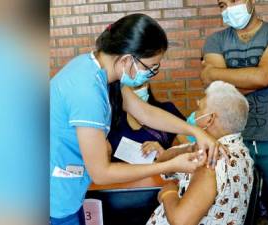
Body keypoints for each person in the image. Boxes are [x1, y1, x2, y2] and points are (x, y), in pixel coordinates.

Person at [50, 14, 226, 224]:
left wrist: (196, 131)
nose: (151, 74)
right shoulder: (87, 91)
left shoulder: (98, 72)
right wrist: (168, 165)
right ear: (127, 59)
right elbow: (102, 173)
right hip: (55, 196)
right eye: (150, 67)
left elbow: (145, 112)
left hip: (68, 189)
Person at [201, 0, 268, 224]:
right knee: (237, 207)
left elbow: (264, 76)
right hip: (233, 142)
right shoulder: (215, 41)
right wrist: (267, 75)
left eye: (234, 0)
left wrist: (223, 76)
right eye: (222, 4)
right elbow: (214, 88)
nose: (228, 8)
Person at [144, 81, 253, 225]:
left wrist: (168, 192)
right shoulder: (240, 151)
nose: (194, 114)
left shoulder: (211, 161)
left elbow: (180, 221)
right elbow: (162, 162)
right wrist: (188, 149)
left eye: (199, 108)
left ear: (210, 119)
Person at [107, 81, 185, 160]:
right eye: (127, 91)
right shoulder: (110, 119)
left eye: (137, 87)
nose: (132, 95)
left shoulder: (167, 110)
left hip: (161, 170)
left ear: (146, 84)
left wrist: (164, 154)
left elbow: (190, 148)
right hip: (122, 171)